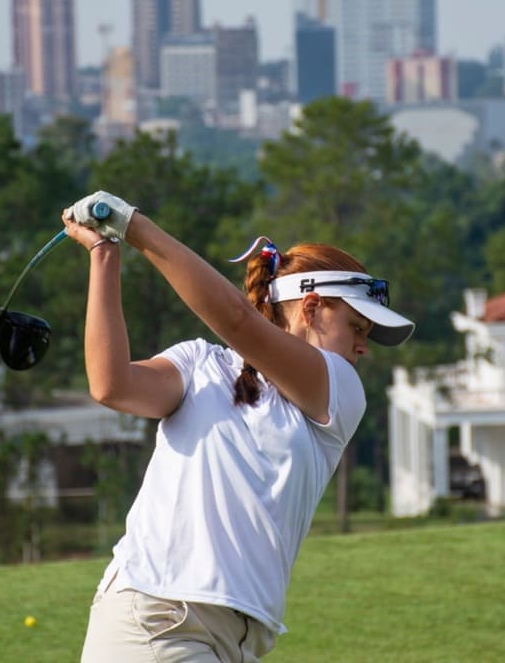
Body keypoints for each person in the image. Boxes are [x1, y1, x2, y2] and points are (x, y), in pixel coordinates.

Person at [62, 191, 414, 662]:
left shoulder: (341, 391)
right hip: (156, 618)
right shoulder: (198, 364)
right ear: (309, 309)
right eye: (356, 327)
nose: (363, 346)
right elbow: (111, 385)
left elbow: (239, 322)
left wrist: (133, 224)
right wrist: (106, 252)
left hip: (230, 642)